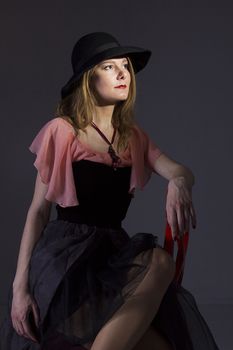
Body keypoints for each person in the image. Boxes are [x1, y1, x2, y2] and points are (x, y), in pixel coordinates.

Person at [0, 32, 220, 350]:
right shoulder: (62, 131)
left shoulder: (133, 137)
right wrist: (20, 286)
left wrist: (179, 183)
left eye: (125, 66)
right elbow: (38, 211)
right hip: (69, 261)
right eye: (108, 66)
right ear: (88, 80)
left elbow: (180, 170)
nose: (122, 74)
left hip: (113, 259)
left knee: (160, 266)